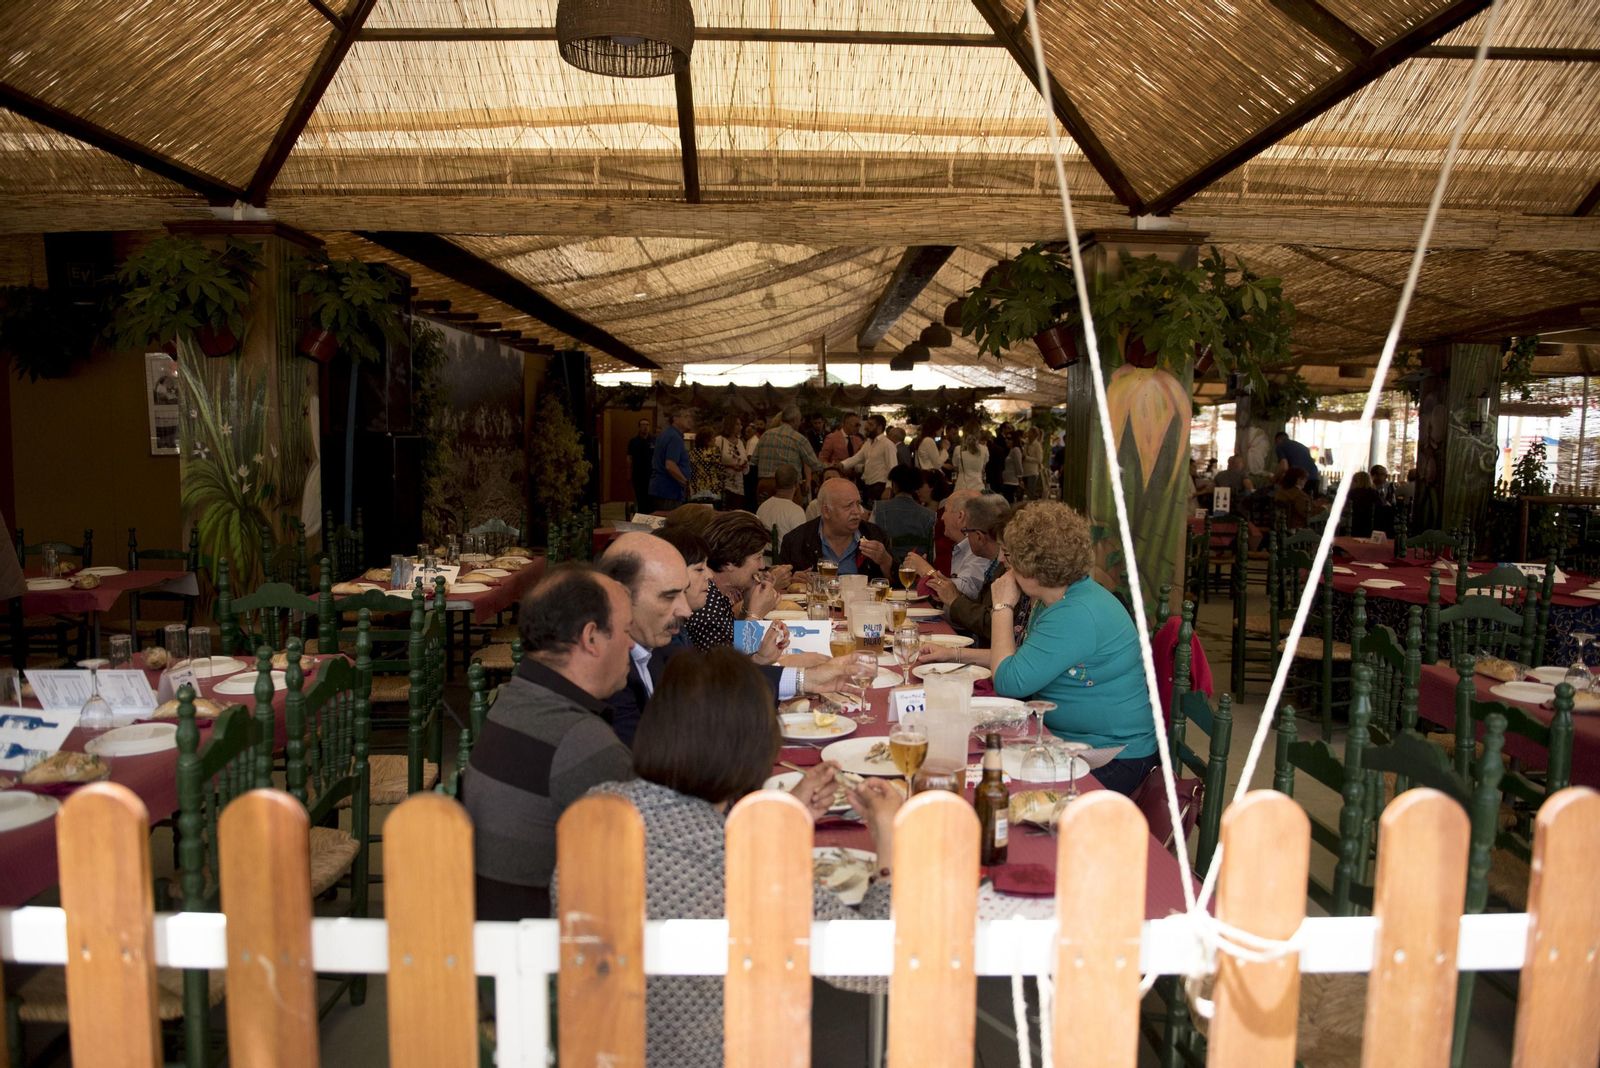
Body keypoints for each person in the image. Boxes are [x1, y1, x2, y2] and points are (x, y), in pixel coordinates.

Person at [559, 648, 899, 1068]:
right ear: (753, 751)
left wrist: (777, 820)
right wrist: (889, 846)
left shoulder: (597, 809)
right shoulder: (746, 861)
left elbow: (688, 856)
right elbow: (878, 964)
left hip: (602, 1050)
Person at [915, 502, 1160, 795]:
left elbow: (1009, 682)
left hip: (1113, 756)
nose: (1006, 562)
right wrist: (954, 654)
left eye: (1011, 556)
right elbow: (1025, 660)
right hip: (1068, 741)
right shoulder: (1060, 596)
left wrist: (1002, 605)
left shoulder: (1075, 613)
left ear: (1033, 566)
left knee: (994, 789)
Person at [464, 564, 637, 920]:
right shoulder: (584, 743)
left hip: (490, 926)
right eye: (626, 630)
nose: (633, 644)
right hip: (542, 948)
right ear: (591, 638)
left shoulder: (515, 698)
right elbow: (638, 874)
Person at [924, 494, 1022, 646]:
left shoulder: (1010, 569)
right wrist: (951, 595)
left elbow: (991, 623)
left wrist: (954, 599)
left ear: (979, 537)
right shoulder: (996, 565)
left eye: (967, 532)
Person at [685, 511, 782, 649]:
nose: (761, 566)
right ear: (730, 561)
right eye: (758, 557)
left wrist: (747, 605)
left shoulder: (717, 592)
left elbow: (733, 639)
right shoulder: (704, 600)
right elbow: (729, 665)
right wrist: (755, 615)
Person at [778, 477, 894, 579]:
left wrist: (886, 561)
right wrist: (791, 580)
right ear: (826, 511)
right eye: (848, 506)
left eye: (858, 503)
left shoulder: (875, 535)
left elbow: (899, 586)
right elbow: (777, 584)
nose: (857, 511)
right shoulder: (795, 541)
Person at [903, 489, 986, 598]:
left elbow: (966, 592)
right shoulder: (962, 547)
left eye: (946, 510)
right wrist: (925, 575)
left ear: (960, 516)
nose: (942, 517)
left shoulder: (979, 548)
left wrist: (926, 570)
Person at [753, 406, 825, 502]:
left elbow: (754, 459)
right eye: (800, 420)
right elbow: (815, 465)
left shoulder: (766, 434)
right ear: (795, 420)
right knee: (791, 514)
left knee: (765, 514)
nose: (800, 423)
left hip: (765, 485)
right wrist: (829, 466)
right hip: (788, 487)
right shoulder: (799, 438)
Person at [869, 465, 935, 562]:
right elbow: (932, 555)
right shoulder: (930, 515)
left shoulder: (879, 508)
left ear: (894, 484)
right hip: (917, 571)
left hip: (886, 570)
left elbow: (871, 540)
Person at [839, 413, 897, 503]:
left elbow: (893, 468)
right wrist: (841, 465)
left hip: (881, 486)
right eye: (867, 424)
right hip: (868, 486)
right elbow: (856, 458)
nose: (866, 427)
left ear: (879, 428)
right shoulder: (868, 443)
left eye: (870, 425)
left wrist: (888, 488)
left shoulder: (887, 444)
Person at [650, 405, 694, 511]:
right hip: (669, 490)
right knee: (672, 524)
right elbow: (670, 465)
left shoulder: (665, 434)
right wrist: (685, 483)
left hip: (660, 489)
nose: (690, 420)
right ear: (676, 419)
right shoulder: (674, 437)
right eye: (686, 417)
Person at [755, 463, 807, 547]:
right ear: (797, 483)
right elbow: (800, 546)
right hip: (784, 560)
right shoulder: (796, 511)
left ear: (775, 483)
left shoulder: (762, 507)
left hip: (762, 559)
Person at [715, 414, 750, 511]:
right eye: (737, 424)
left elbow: (744, 460)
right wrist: (730, 465)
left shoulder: (740, 442)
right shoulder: (719, 440)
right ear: (730, 425)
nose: (740, 427)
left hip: (739, 486)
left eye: (740, 424)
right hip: (724, 485)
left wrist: (744, 465)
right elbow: (713, 462)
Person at [1274, 430, 1320, 497]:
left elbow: (1284, 467)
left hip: (1301, 481)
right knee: (1310, 505)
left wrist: (1275, 478)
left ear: (1278, 440)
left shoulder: (1280, 446)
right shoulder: (1302, 447)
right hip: (1315, 478)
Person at [627, 418, 655, 514]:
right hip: (638, 475)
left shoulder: (654, 440)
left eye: (647, 424)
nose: (645, 427)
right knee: (641, 499)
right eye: (643, 425)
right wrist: (629, 473)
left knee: (651, 500)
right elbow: (629, 458)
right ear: (639, 427)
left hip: (652, 475)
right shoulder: (634, 441)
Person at [688, 428, 723, 504]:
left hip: (696, 489)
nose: (715, 440)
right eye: (713, 438)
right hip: (712, 489)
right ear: (707, 441)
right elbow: (720, 471)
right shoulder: (713, 453)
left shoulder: (692, 454)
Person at [1345, 470, 1383, 539]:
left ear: (1356, 482)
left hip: (1353, 527)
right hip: (1372, 529)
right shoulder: (1375, 494)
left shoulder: (1352, 494)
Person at [742, 416, 764, 506]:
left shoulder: (753, 441)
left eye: (749, 432)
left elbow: (750, 456)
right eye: (746, 432)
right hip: (752, 469)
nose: (746, 434)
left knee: (750, 494)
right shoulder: (751, 440)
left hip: (752, 470)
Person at [1001, 430, 1024, 503]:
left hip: (1012, 481)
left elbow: (1018, 465)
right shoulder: (1010, 450)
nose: (1007, 440)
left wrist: (1020, 478)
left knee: (1010, 501)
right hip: (1007, 480)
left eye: (1009, 439)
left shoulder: (1015, 450)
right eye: (1006, 438)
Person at [1021, 427, 1044, 499]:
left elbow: (1039, 459)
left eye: (1030, 432)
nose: (1028, 434)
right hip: (1024, 470)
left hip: (1032, 471)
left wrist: (1026, 458)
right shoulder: (1025, 444)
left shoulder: (1037, 445)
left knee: (1031, 491)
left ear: (1034, 435)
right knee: (1022, 490)